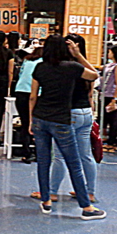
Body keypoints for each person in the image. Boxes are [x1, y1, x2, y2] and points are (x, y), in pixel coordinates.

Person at [29, 34, 105, 220]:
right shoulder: (72, 67)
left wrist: (31, 120)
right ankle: (86, 207)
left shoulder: (40, 67)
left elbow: (33, 96)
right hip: (61, 120)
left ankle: (46, 201)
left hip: (40, 118)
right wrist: (78, 55)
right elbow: (94, 75)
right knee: (74, 164)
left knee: (44, 161)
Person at [48, 34, 98, 203]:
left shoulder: (66, 66)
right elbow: (94, 78)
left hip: (68, 115)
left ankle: (52, 191)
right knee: (86, 155)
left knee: (60, 156)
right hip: (85, 113)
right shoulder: (82, 66)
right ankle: (89, 192)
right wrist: (79, 55)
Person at [15, 46, 43, 163]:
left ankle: (26, 153)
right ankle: (38, 153)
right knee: (37, 125)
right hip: (36, 94)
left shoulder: (26, 60)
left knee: (25, 123)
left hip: (20, 92)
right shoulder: (43, 63)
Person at [101, 45, 117, 152]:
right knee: (104, 118)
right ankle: (106, 139)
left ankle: (112, 141)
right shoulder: (108, 65)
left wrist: (115, 98)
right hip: (105, 94)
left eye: (110, 52)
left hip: (112, 95)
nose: (108, 53)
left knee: (113, 119)